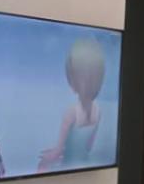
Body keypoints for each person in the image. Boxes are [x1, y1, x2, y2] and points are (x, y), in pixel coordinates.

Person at [38, 37, 105, 170]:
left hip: (68, 168)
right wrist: (67, 149)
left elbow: (57, 153)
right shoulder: (98, 110)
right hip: (85, 165)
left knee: (42, 165)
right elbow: (88, 147)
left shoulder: (72, 112)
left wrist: (47, 158)